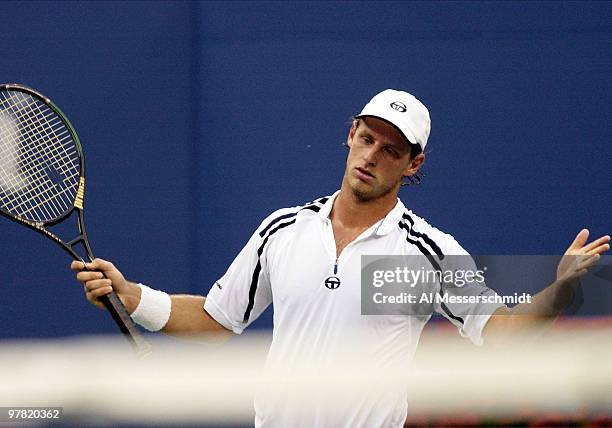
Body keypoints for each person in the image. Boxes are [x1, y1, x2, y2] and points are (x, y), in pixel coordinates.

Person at [71, 89, 610, 427]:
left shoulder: (427, 253)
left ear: (413, 165)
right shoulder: (283, 229)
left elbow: (497, 334)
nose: (373, 155)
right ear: (350, 134)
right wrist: (132, 295)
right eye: (368, 138)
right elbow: (218, 318)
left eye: (392, 150)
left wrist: (558, 289)